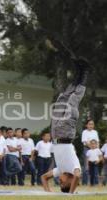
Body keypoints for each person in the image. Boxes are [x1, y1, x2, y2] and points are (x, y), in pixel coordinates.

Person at [41, 53, 91, 193]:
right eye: (62, 183)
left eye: (59, 183)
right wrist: (70, 194)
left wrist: (48, 193)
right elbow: (77, 176)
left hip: (55, 131)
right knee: (73, 99)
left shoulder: (59, 170)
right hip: (66, 132)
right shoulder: (74, 168)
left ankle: (78, 73)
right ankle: (85, 72)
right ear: (69, 183)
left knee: (62, 97)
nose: (59, 181)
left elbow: (43, 178)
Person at [81, 119, 99, 185]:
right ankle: (84, 182)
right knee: (86, 166)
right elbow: (85, 142)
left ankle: (95, 182)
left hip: (95, 150)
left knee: (95, 166)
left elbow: (97, 142)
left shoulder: (95, 132)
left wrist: (97, 150)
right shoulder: (84, 132)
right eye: (90, 124)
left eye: (92, 124)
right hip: (87, 149)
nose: (91, 125)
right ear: (86, 125)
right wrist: (92, 148)